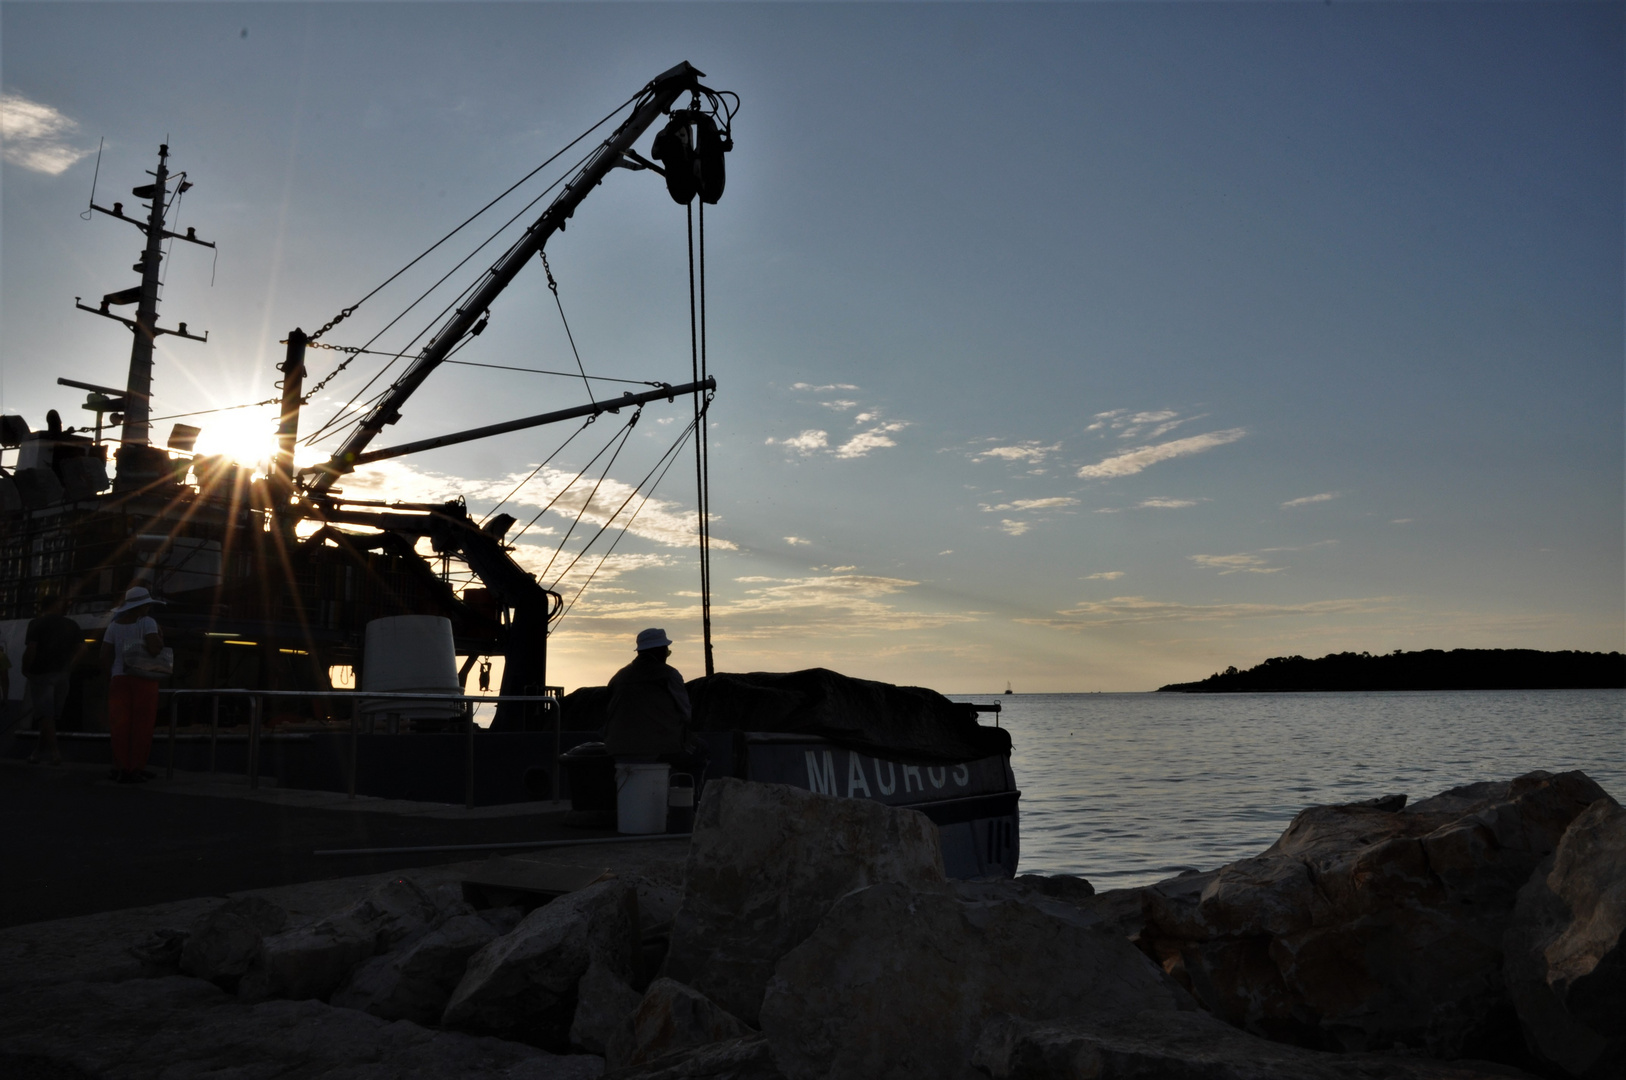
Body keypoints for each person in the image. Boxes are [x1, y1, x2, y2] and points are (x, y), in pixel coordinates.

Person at [101, 586, 166, 784]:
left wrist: (110, 676)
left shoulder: (114, 626)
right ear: (144, 606)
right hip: (143, 679)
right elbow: (155, 648)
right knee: (142, 725)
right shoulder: (147, 622)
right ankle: (136, 767)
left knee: (120, 725)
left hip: (118, 678)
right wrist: (160, 635)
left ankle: (120, 766)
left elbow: (104, 655)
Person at [604, 628, 692, 758]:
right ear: (659, 651)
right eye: (667, 651)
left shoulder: (619, 676)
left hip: (617, 748)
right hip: (660, 748)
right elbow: (686, 713)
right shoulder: (669, 675)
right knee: (700, 750)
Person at [22, 595, 82, 766]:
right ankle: (37, 753)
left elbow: (31, 649)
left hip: (41, 673)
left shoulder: (36, 624)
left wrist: (25, 668)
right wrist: (69, 666)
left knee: (45, 715)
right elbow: (82, 648)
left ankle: (55, 753)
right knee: (51, 716)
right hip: (63, 675)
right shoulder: (72, 625)